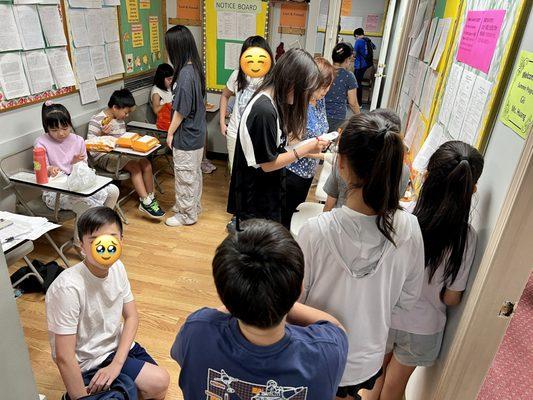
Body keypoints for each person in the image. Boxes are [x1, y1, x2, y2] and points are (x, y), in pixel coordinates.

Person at [297, 112, 425, 400]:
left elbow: (293, 302)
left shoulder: (314, 232)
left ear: (341, 165)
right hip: (367, 360)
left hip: (317, 356)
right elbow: (406, 302)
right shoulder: (409, 228)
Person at [171, 219, 348, 400]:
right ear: (299, 290)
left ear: (222, 293)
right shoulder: (326, 351)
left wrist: (240, 299)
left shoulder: (197, 331)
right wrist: (280, 299)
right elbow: (337, 328)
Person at [370, 141, 484, 400]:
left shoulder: (398, 216)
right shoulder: (466, 237)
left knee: (372, 381)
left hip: (385, 316)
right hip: (424, 328)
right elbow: (451, 298)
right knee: (394, 389)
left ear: (427, 176)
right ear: (471, 188)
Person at [46, 207, 170, 400]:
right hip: (88, 362)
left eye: (112, 238)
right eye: (95, 241)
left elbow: (131, 316)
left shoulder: (118, 268)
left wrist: (116, 365)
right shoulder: (68, 288)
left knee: (159, 383)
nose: (104, 246)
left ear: (121, 241)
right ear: (81, 246)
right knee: (152, 383)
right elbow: (64, 356)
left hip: (114, 349)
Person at [227, 48, 330, 229]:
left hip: (267, 192)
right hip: (255, 197)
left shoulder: (275, 101)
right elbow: (268, 164)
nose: (304, 96)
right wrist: (306, 148)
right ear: (291, 82)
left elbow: (278, 148)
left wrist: (309, 146)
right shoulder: (264, 110)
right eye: (304, 89)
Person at [35, 101, 119, 248]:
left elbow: (84, 171)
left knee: (113, 191)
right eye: (54, 130)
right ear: (46, 128)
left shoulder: (78, 140)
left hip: (79, 186)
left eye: (65, 128)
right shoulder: (41, 142)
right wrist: (49, 169)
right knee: (86, 206)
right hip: (55, 192)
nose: (61, 133)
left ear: (70, 124)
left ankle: (99, 229)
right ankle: (80, 243)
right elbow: (40, 168)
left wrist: (75, 164)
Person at [88, 89, 165, 219]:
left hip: (121, 154)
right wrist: (103, 135)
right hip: (103, 157)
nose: (127, 115)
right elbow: (91, 147)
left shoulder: (119, 119)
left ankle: (150, 197)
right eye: (126, 112)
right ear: (115, 107)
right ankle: (145, 200)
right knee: (134, 167)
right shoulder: (97, 120)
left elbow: (122, 140)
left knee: (146, 163)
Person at [283, 57, 336, 226]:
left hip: (308, 172)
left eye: (329, 85)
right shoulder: (298, 106)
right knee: (285, 218)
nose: (327, 90)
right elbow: (293, 147)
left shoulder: (320, 101)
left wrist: (325, 142)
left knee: (296, 212)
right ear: (312, 81)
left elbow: (319, 132)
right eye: (324, 85)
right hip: (292, 172)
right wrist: (324, 156)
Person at [323, 108, 410, 211]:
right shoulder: (403, 170)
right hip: (382, 224)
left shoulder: (348, 160)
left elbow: (330, 201)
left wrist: (324, 222)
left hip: (339, 219)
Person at [164, 25, 206, 227]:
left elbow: (181, 110)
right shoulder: (195, 69)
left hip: (186, 135)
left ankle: (186, 215)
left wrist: (170, 134)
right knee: (193, 173)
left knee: (184, 176)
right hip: (197, 134)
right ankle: (192, 206)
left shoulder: (185, 75)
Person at [219, 35, 274, 173]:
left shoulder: (271, 78)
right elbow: (225, 96)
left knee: (256, 177)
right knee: (236, 175)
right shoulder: (237, 75)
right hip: (235, 133)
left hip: (258, 136)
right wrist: (221, 122)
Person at [325, 42, 360, 133]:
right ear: (347, 59)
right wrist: (360, 117)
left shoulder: (324, 71)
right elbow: (353, 103)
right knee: (332, 142)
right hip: (337, 117)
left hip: (319, 113)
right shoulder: (349, 76)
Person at [353, 28, 375, 106]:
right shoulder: (368, 40)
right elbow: (374, 47)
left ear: (356, 35)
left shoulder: (358, 41)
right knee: (357, 82)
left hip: (360, 65)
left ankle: (359, 103)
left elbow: (354, 54)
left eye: (355, 37)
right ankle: (357, 102)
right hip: (367, 65)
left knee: (356, 83)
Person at [150, 63, 174, 131]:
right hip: (165, 123)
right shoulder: (156, 92)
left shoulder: (169, 87)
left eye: (172, 78)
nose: (171, 81)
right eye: (169, 79)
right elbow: (156, 110)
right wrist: (169, 104)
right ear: (161, 79)